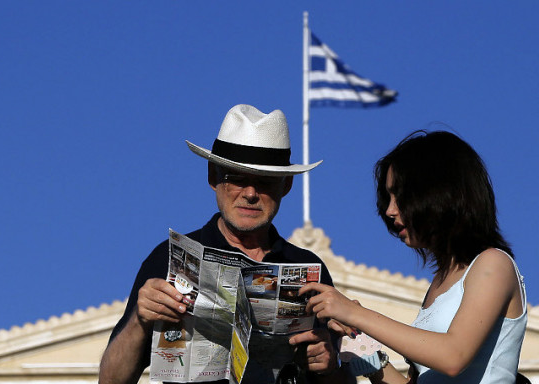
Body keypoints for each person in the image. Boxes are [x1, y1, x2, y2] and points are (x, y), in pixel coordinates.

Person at [99, 104, 352, 384]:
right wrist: (140, 320)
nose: (251, 193)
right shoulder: (168, 258)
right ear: (213, 177)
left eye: (265, 182)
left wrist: (329, 366)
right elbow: (110, 380)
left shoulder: (309, 268)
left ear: (287, 186)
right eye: (237, 179)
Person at [301, 130, 527, 383]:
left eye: (402, 196)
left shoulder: (493, 264)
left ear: (441, 194)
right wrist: (359, 344)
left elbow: (453, 356)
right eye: (388, 197)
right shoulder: (440, 283)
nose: (390, 210)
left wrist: (355, 314)